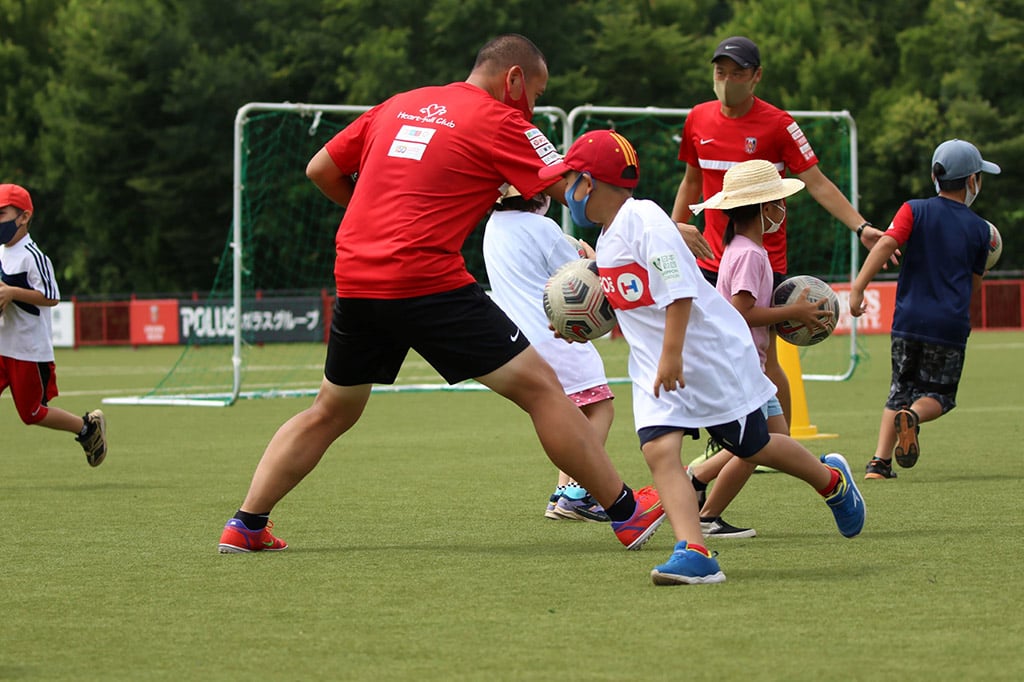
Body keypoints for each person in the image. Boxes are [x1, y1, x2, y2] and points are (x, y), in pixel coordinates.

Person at [217, 34, 665, 554]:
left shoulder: (398, 104)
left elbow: (321, 169)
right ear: (513, 79)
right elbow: (579, 196)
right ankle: (627, 513)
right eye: (536, 95)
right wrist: (657, 228)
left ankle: (246, 524)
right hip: (426, 280)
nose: (534, 108)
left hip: (359, 277)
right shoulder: (505, 122)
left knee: (330, 409)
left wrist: (379, 223)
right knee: (543, 390)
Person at [539, 129, 865, 585]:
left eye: (569, 179)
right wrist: (578, 327)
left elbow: (678, 289)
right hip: (658, 367)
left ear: (589, 183)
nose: (564, 191)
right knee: (658, 450)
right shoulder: (610, 238)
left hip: (709, 357)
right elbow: (633, 306)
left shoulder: (645, 220)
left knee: (753, 444)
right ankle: (693, 551)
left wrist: (673, 354)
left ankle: (831, 482)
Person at [670, 35, 888, 426]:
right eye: (721, 72)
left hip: (761, 259)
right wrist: (674, 232)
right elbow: (690, 180)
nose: (727, 80)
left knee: (763, 357)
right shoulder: (697, 119)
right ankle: (736, 438)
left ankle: (782, 443)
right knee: (708, 352)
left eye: (738, 73)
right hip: (709, 256)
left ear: (756, 77)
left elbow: (817, 182)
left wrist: (861, 227)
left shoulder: (779, 125)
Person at [687, 160, 836, 538]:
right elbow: (742, 312)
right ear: (765, 209)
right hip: (742, 367)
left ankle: (701, 483)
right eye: (778, 203)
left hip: (746, 365)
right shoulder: (751, 254)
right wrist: (797, 311)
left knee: (769, 443)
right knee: (763, 446)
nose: (782, 211)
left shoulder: (742, 247)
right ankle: (706, 517)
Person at [850, 139, 999, 480]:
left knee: (898, 389)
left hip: (907, 320)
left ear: (935, 175)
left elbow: (887, 243)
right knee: (939, 395)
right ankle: (914, 417)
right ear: (972, 181)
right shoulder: (980, 229)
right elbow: (973, 286)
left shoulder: (913, 209)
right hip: (948, 325)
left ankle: (879, 463)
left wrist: (859, 288)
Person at [483, 185, 614, 523]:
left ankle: (564, 490)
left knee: (565, 413)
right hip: (556, 334)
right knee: (601, 408)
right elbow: (581, 279)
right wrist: (593, 260)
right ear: (538, 195)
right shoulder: (542, 228)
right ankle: (580, 492)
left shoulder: (494, 225)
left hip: (521, 341)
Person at [0, 183, 108, 466]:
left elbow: (51, 296)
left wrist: (11, 293)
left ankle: (87, 428)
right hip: (3, 344)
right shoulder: (1, 252)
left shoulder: (34, 256)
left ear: (23, 217)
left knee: (32, 413)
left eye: (1, 214)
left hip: (27, 350)